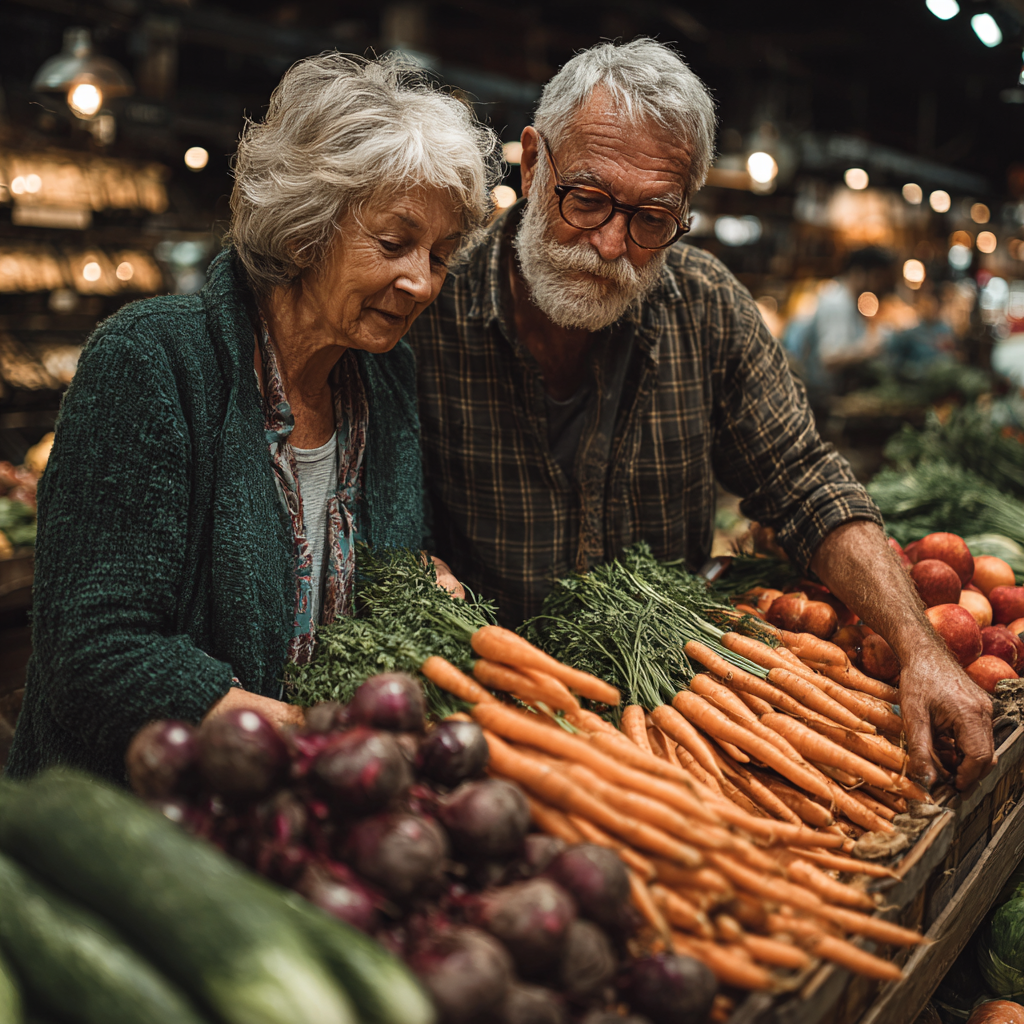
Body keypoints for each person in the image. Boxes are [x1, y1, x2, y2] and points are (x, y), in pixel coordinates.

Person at [408, 38, 994, 791]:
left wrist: (919, 646)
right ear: (531, 163)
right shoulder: (430, 304)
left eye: (653, 218)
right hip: (482, 727)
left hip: (675, 723)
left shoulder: (704, 303)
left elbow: (806, 484)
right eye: (586, 199)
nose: (612, 244)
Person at [7, 53, 500, 782]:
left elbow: (374, 572)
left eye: (441, 254)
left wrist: (419, 578)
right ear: (307, 227)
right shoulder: (153, 361)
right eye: (394, 243)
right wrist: (307, 742)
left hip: (301, 814)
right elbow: (97, 651)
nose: (421, 281)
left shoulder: (384, 377)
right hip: (133, 823)